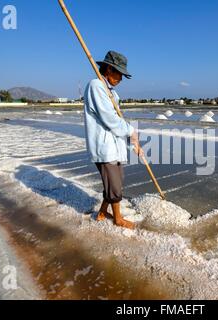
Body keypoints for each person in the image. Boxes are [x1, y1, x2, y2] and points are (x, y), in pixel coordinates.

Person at [84, 51, 143, 230]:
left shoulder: (111, 92)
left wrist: (131, 139)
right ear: (109, 68)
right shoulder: (96, 86)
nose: (121, 79)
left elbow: (118, 120)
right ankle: (118, 218)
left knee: (114, 182)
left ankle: (102, 212)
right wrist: (131, 131)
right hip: (104, 147)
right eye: (119, 73)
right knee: (114, 185)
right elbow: (109, 118)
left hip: (114, 146)